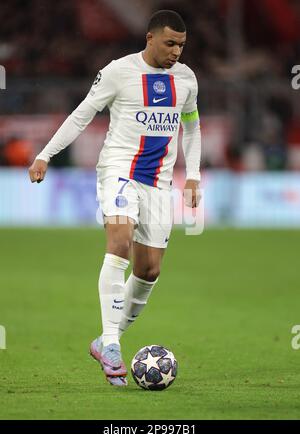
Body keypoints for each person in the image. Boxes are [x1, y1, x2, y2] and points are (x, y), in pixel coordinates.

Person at [28, 10, 201, 387]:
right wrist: (46, 154)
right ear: (150, 38)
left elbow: (192, 127)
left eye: (182, 45)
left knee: (150, 270)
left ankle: (106, 339)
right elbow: (82, 114)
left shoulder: (186, 79)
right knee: (119, 242)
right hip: (119, 171)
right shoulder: (117, 72)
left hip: (159, 182)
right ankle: (111, 344)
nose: (176, 52)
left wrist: (194, 175)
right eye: (170, 43)